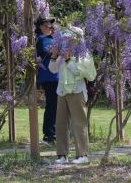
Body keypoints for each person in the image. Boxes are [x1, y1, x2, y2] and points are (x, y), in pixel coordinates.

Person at [48, 26, 96, 165]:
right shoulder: (63, 54)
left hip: (77, 91)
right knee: (61, 124)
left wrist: (69, 60)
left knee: (79, 123)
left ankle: (83, 154)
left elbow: (81, 74)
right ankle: (62, 155)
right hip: (62, 91)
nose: (66, 42)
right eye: (65, 39)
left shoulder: (83, 54)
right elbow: (52, 69)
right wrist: (54, 55)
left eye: (70, 39)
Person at [35, 16, 58, 144]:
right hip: (49, 77)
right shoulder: (41, 40)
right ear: (41, 27)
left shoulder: (52, 38)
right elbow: (48, 53)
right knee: (52, 105)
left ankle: (54, 132)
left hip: (57, 76)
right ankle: (49, 134)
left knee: (56, 105)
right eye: (47, 24)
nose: (50, 26)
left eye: (50, 24)